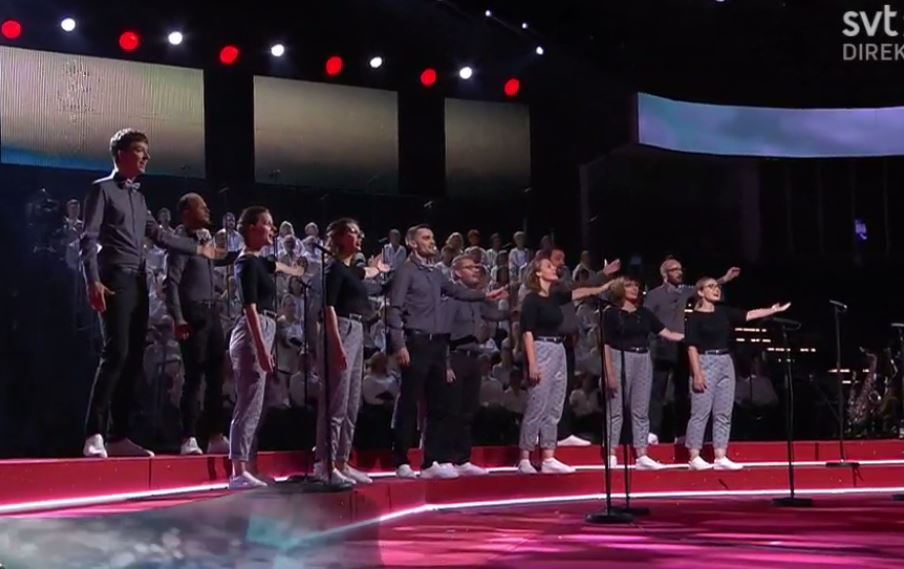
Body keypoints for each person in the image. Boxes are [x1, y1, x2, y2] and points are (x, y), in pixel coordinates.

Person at [80, 129, 218, 458]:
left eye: (146, 151)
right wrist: (92, 280)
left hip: (139, 281)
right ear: (121, 154)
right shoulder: (102, 190)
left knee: (133, 359)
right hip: (115, 278)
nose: (147, 157)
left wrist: (198, 249)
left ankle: (118, 436)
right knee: (116, 352)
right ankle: (93, 433)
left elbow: (159, 235)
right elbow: (88, 238)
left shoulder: (139, 198)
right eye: (141, 150)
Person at [387, 224, 507, 479]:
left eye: (432, 237)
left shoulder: (436, 273)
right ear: (412, 243)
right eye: (426, 238)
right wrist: (399, 344)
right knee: (409, 403)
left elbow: (456, 290)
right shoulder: (406, 271)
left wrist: (485, 296)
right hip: (416, 342)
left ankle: (431, 461)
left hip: (438, 343)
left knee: (439, 405)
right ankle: (401, 460)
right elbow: (394, 309)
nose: (432, 241)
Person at [228, 206, 305, 489]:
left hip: (266, 327)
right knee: (248, 403)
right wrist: (261, 347)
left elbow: (280, 267)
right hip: (253, 329)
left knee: (259, 405)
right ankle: (238, 470)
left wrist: (297, 270)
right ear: (251, 228)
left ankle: (250, 466)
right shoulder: (245, 263)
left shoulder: (261, 262)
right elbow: (249, 306)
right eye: (267, 223)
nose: (272, 229)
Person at [684, 276, 790, 471]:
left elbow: (749, 314)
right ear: (700, 292)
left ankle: (720, 455)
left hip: (725, 361)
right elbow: (691, 347)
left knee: (724, 411)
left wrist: (773, 310)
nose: (716, 289)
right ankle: (694, 456)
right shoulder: (694, 317)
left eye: (717, 286)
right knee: (700, 412)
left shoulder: (723, 312)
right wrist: (697, 373)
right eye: (711, 286)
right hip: (705, 361)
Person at [517, 257, 611, 474]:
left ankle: (548, 456)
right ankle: (525, 458)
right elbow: (527, 333)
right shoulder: (532, 299)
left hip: (559, 349)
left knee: (555, 405)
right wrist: (533, 363)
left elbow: (578, 292)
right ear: (537, 273)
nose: (554, 269)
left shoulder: (555, 297)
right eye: (549, 266)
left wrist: (601, 288)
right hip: (541, 348)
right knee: (537, 405)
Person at [314, 218, 388, 485]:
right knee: (336, 401)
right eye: (354, 232)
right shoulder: (333, 269)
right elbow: (328, 308)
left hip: (356, 330)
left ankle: (342, 461)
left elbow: (364, 273)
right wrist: (336, 344)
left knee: (351, 402)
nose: (360, 237)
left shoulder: (349, 270)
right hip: (342, 329)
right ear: (340, 237)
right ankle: (325, 463)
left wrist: (377, 269)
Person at [165, 193, 240, 456]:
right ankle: (188, 437)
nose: (207, 210)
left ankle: (215, 434)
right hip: (193, 313)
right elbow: (171, 282)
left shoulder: (204, 241)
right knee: (194, 377)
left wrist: (246, 249)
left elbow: (221, 257)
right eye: (201, 206)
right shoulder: (182, 244)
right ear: (186, 212)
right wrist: (178, 318)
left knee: (216, 377)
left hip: (211, 312)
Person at [644, 257, 741, 444]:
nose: (679, 272)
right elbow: (647, 317)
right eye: (674, 269)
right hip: (661, 345)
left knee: (682, 390)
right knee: (657, 389)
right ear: (665, 274)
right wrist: (661, 334)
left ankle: (681, 433)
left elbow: (705, 287)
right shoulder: (654, 295)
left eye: (680, 269)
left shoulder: (685, 291)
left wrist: (725, 278)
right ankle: (653, 431)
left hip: (683, 345)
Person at [602, 276, 684, 470]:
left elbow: (668, 334)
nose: (634, 289)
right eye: (629, 285)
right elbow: (604, 344)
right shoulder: (611, 313)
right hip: (619, 356)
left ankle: (642, 454)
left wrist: (692, 333)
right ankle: (611, 452)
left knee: (640, 409)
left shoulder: (645, 313)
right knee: (616, 409)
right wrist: (609, 373)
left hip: (643, 359)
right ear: (619, 289)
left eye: (636, 286)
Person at [446, 255, 509, 476]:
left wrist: (514, 308)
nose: (475, 270)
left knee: (467, 410)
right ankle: (447, 458)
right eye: (469, 267)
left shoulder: (476, 299)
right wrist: (446, 364)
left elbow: (494, 315)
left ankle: (463, 459)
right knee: (451, 410)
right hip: (455, 356)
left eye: (476, 267)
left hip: (473, 357)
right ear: (456, 273)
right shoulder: (452, 298)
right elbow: (443, 332)